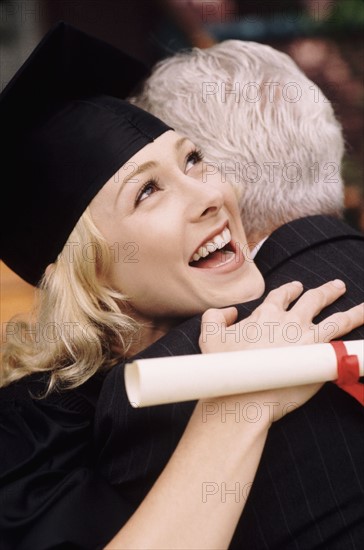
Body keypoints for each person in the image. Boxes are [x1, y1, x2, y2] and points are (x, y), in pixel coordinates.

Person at [0, 24, 362, 550]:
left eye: (194, 159)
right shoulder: (25, 441)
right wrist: (245, 398)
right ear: (88, 271)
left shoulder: (261, 318)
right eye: (148, 191)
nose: (212, 193)